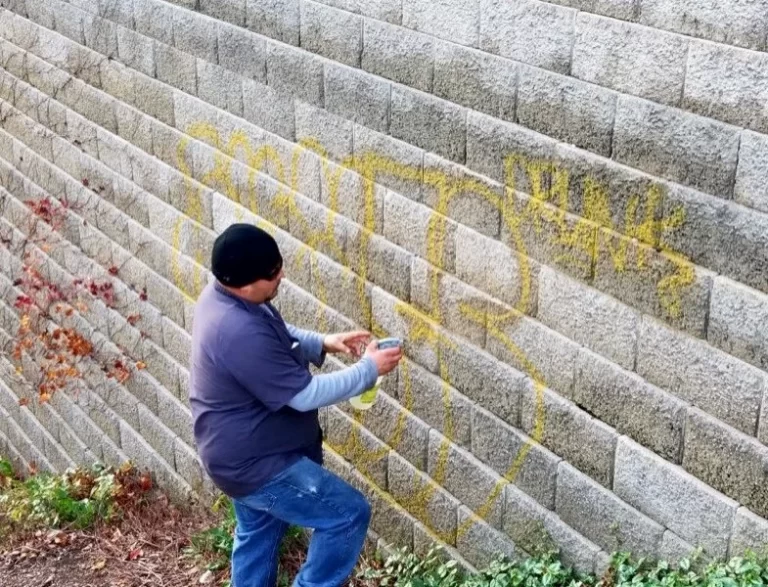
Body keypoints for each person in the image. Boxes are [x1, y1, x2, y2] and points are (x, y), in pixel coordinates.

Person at [189, 223, 402, 587]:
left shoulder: (224, 297)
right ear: (243, 283)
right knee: (347, 514)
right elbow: (305, 395)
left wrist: (324, 342)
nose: (281, 275)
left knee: (258, 535)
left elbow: (276, 338)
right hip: (258, 465)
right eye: (272, 274)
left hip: (234, 457)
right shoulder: (235, 329)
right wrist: (368, 370)